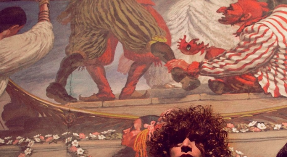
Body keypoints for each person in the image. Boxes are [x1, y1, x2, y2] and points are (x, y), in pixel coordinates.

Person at [45, 0, 199, 103]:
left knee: (84, 50)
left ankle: (58, 85)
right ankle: (178, 71)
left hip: (87, 7)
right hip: (115, 4)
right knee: (149, 39)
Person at [166, 0, 287, 97]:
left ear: (246, 16)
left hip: (282, 79)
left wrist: (198, 68)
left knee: (232, 70)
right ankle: (222, 83)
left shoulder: (261, 30)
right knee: (214, 53)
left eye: (231, 9)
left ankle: (225, 85)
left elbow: (239, 63)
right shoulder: (273, 18)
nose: (224, 11)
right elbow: (241, 55)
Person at [0, 1, 54, 99]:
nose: (16, 34)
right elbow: (42, 38)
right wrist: (43, 4)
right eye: (18, 30)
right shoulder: (4, 49)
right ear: (14, 27)